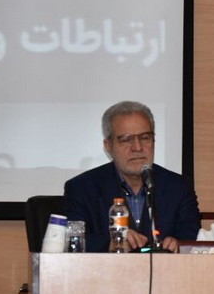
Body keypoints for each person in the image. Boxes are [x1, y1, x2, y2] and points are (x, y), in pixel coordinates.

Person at [64, 101, 201, 253]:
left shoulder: (179, 187)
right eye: (126, 139)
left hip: (166, 268)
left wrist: (179, 245)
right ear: (108, 146)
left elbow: (193, 239)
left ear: (153, 140)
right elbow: (72, 242)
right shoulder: (82, 188)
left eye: (145, 137)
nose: (137, 147)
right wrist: (111, 243)